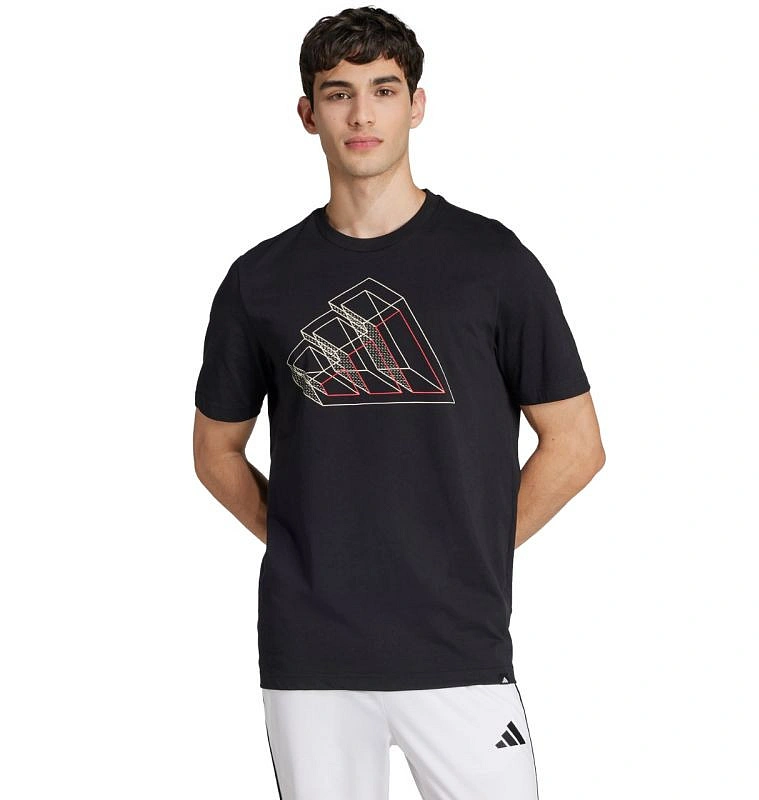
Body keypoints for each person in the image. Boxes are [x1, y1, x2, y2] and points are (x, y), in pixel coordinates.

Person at [193, 6, 605, 799]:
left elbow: (577, 445)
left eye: (383, 91)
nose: (362, 114)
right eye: (338, 93)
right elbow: (215, 450)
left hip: (457, 645)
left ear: (416, 105)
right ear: (308, 113)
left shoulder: (493, 262)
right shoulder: (259, 280)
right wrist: (309, 547)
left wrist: (470, 551)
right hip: (312, 657)